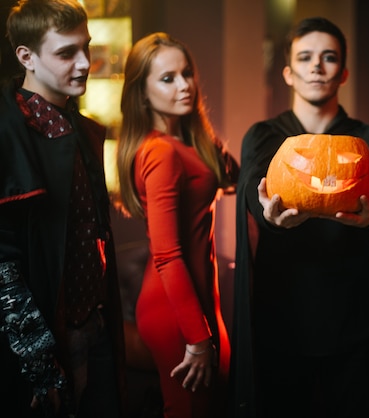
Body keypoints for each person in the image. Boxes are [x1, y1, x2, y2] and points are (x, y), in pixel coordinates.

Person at [231, 16, 369, 418]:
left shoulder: (367, 139)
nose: (317, 66)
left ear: (343, 72)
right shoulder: (264, 136)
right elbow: (255, 187)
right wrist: (269, 216)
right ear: (288, 72)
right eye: (305, 58)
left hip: (351, 316)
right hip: (281, 315)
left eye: (328, 57)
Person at [0, 0, 126, 416]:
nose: (85, 63)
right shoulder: (9, 129)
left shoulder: (77, 126)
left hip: (97, 324)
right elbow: (3, 261)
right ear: (27, 57)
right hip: (45, 341)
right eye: (66, 52)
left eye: (86, 48)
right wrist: (39, 361)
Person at [116, 32, 238, 418]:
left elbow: (234, 175)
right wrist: (198, 339)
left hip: (198, 301)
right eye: (168, 78)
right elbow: (167, 253)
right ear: (142, 92)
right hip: (175, 309)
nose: (185, 85)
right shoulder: (161, 152)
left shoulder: (183, 142)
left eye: (187, 74)